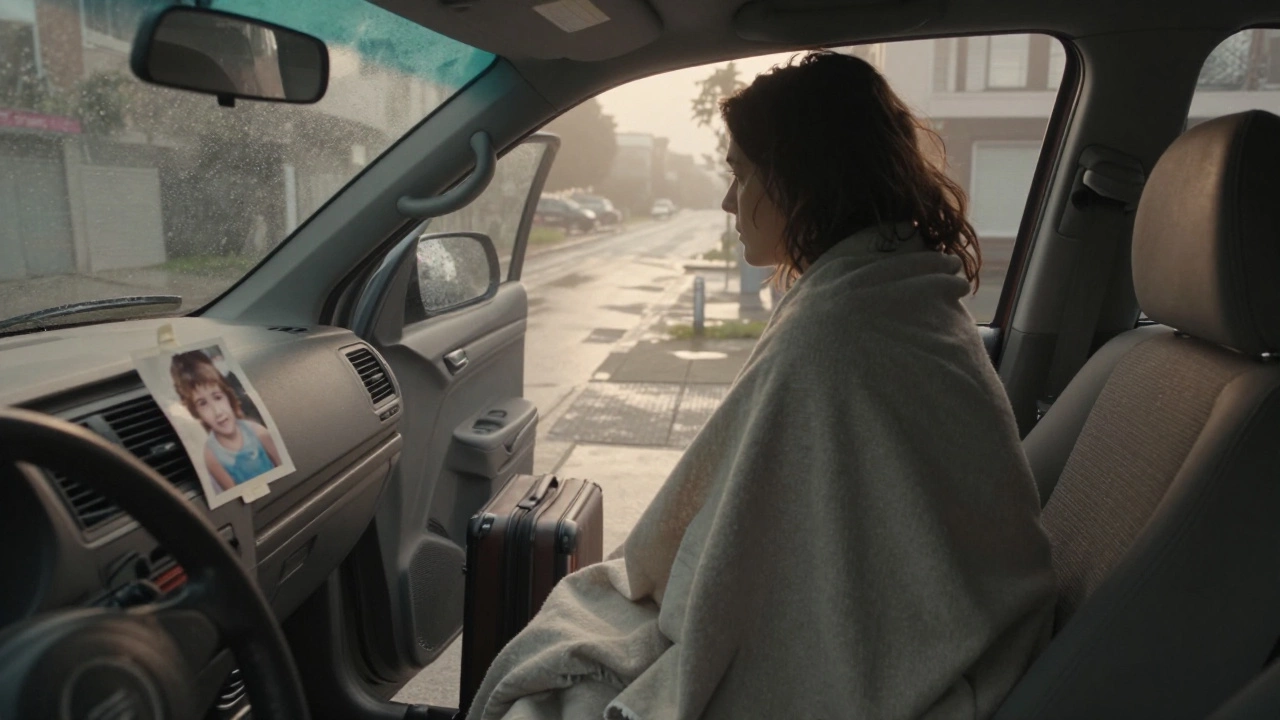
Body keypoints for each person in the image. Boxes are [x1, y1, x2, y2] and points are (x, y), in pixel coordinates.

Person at [467, 52, 1055, 720]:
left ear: (805, 182)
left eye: (740, 174)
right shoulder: (900, 286)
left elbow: (742, 555)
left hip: (928, 642)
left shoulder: (840, 327)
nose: (726, 201)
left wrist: (680, 597)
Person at [170, 350, 281, 490]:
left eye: (217, 397)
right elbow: (235, 495)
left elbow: (284, 468)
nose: (217, 412)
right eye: (202, 404)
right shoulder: (210, 455)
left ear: (228, 396)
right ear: (195, 412)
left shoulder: (257, 431)